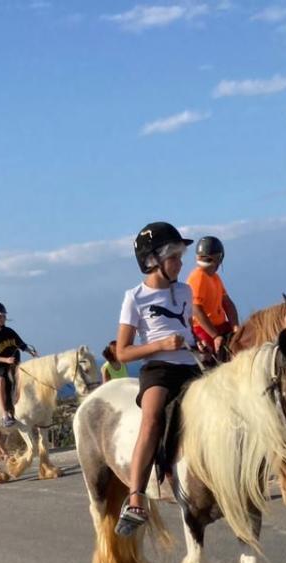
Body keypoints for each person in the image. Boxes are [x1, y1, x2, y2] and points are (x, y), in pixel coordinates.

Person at [115, 222, 202, 536]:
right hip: (158, 368)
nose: (180, 263)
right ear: (153, 260)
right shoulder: (135, 297)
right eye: (174, 257)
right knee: (152, 419)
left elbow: (188, 330)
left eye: (180, 257)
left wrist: (201, 346)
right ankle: (136, 497)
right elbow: (123, 352)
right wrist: (161, 345)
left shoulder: (185, 291)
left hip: (190, 365)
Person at [0, 300, 37, 428]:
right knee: (1, 381)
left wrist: (30, 351)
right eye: (0, 316)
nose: (3, 319)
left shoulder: (9, 331)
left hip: (14, 363)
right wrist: (6, 360)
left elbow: (21, 344)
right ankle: (5, 414)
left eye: (4, 316)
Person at [186, 235, 240, 363]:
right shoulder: (198, 276)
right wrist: (215, 336)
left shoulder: (214, 277)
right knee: (212, 360)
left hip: (221, 327)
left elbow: (227, 303)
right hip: (204, 330)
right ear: (219, 258)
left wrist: (235, 327)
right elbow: (195, 309)